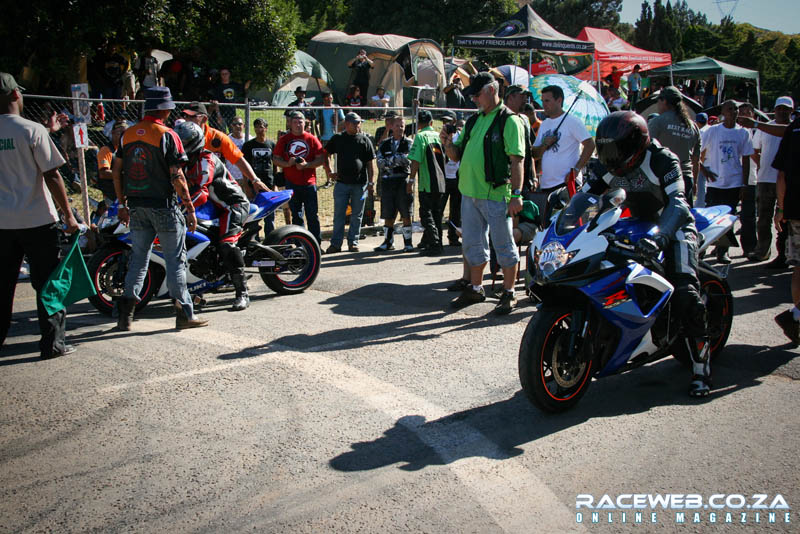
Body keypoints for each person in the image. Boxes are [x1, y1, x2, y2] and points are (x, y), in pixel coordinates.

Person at [588, 111, 712, 397]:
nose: (610, 155)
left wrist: (661, 238)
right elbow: (588, 198)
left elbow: (680, 204)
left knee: (685, 292)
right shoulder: (610, 164)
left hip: (673, 225)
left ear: (636, 144)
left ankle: (701, 369)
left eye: (616, 148)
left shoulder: (662, 159)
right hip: (635, 225)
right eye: (605, 149)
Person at [110, 87, 207, 330]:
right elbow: (177, 175)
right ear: (164, 109)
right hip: (164, 206)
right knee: (175, 261)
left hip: (137, 207)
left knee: (138, 260)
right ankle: (185, 314)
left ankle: (126, 316)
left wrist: (122, 204)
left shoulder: (128, 134)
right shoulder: (167, 135)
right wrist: (190, 208)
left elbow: (116, 171)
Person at [0, 72, 80, 358]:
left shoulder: (34, 129)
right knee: (47, 284)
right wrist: (69, 216)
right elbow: (53, 174)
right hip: (37, 220)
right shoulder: (32, 130)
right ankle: (52, 344)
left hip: (2, 224)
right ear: (15, 96)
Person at [441, 72, 526, 315]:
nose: (474, 100)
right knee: (472, 244)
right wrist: (447, 143)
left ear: (491, 90)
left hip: (496, 194)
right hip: (469, 193)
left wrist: (516, 194)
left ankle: (509, 293)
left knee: (504, 245)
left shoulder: (509, 120)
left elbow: (517, 160)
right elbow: (456, 156)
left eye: (477, 94)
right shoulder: (474, 120)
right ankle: (475, 288)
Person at [175, 121, 251, 311]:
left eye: (185, 141)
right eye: (180, 141)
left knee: (226, 243)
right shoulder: (185, 162)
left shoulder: (205, 160)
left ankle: (242, 292)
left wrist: (180, 207)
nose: (182, 145)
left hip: (232, 205)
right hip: (214, 207)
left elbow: (200, 193)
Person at [740, 96, 794, 266]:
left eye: (786, 109)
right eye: (779, 108)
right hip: (765, 178)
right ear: (775, 109)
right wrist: (764, 164)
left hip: (787, 180)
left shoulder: (792, 128)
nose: (782, 111)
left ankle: (784, 254)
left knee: (785, 220)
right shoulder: (765, 128)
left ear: (791, 111)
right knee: (763, 218)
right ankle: (762, 251)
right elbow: (754, 150)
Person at [699, 100, 753, 264]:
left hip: (734, 182)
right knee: (709, 219)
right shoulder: (713, 131)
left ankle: (722, 251)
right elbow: (696, 151)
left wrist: (744, 183)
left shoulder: (743, 133)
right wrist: (704, 169)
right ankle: (701, 249)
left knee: (728, 220)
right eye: (730, 109)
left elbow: (746, 159)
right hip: (715, 182)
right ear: (723, 111)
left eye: (736, 109)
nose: (733, 111)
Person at [180, 102, 266, 199]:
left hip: (214, 188)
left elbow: (238, 159)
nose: (186, 120)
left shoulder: (217, 137)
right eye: (185, 116)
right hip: (188, 188)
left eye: (191, 116)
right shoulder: (179, 137)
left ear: (204, 119)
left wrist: (255, 180)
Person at [323, 112, 376, 253]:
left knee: (357, 215)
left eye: (359, 123)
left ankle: (353, 242)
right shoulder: (338, 139)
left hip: (360, 184)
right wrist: (329, 172)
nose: (358, 125)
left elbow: (370, 164)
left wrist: (371, 183)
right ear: (346, 124)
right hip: (341, 184)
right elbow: (325, 154)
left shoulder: (365, 140)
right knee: (339, 215)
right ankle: (335, 244)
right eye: (355, 123)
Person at [273, 110, 326, 245]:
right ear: (290, 123)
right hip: (292, 183)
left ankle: (316, 245)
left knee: (312, 216)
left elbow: (321, 159)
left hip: (309, 184)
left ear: (305, 123)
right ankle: (300, 245)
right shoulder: (284, 140)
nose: (298, 125)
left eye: (300, 122)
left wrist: (307, 165)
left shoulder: (312, 139)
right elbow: (275, 159)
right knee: (296, 216)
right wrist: (287, 164)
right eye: (295, 122)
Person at [532, 85, 595, 195]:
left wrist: (576, 169)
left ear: (559, 100)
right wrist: (544, 145)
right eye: (543, 101)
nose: (544, 105)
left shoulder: (572, 121)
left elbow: (590, 144)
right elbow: (534, 153)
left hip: (566, 183)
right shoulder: (544, 124)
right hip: (546, 184)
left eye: (547, 101)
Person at [772, 108, 800, 345]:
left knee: (798, 266)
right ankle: (796, 316)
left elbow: (781, 175)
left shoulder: (793, 129)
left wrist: (781, 208)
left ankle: (796, 316)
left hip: (795, 210)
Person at [648, 86, 702, 206]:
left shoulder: (658, 122)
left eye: (659, 101)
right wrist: (695, 183)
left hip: (663, 178)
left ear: (665, 101)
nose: (658, 104)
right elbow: (696, 159)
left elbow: (646, 149)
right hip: (686, 178)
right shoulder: (693, 126)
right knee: (684, 218)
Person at [408, 110, 447, 256]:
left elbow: (416, 160)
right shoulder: (438, 136)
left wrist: (411, 179)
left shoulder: (420, 136)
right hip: (441, 181)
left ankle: (434, 244)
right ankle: (438, 242)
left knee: (426, 214)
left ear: (419, 124)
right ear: (431, 123)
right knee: (437, 214)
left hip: (427, 182)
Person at [375, 116, 414, 252]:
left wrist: (389, 161)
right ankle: (388, 242)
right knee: (388, 214)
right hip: (387, 182)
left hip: (402, 181)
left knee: (406, 213)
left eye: (402, 126)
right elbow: (379, 162)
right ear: (392, 127)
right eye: (397, 126)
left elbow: (407, 159)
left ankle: (408, 243)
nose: (400, 128)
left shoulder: (409, 142)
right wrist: (395, 160)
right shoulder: (384, 144)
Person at [241, 118, 278, 233]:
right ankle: (253, 238)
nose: (258, 129)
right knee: (253, 214)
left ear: (266, 128)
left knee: (270, 214)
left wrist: (275, 184)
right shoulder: (248, 145)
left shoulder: (271, 144)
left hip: (268, 182)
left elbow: (275, 165)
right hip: (253, 183)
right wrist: (246, 186)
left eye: (261, 126)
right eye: (256, 126)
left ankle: (270, 237)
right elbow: (244, 167)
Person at [504, 85, 538, 193]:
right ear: (510, 98)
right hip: (506, 181)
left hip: (525, 181)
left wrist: (534, 176)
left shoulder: (525, 119)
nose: (525, 100)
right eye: (522, 96)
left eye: (526, 97)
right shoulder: (500, 119)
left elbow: (530, 152)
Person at [737, 103, 759, 256]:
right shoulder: (735, 132)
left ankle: (749, 247)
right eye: (742, 112)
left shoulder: (758, 132)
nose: (744, 115)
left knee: (748, 216)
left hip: (752, 179)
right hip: (732, 179)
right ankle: (721, 248)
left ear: (753, 115)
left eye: (748, 112)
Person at [439, 112, 463, 247]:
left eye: (448, 121)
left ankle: (453, 237)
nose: (445, 124)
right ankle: (436, 238)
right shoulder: (441, 137)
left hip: (457, 178)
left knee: (456, 210)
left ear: (454, 121)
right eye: (443, 122)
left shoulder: (460, 136)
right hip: (444, 177)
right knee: (439, 209)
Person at [96, 120, 128, 205]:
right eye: (120, 133)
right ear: (112, 133)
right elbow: (103, 173)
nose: (122, 137)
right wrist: (124, 175)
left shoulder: (125, 150)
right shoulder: (106, 150)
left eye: (125, 134)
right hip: (112, 196)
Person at [225, 116, 246, 184]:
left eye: (239, 124)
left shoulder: (249, 138)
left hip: (246, 177)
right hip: (231, 177)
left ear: (244, 126)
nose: (237, 126)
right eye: (234, 124)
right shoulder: (226, 140)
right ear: (231, 126)